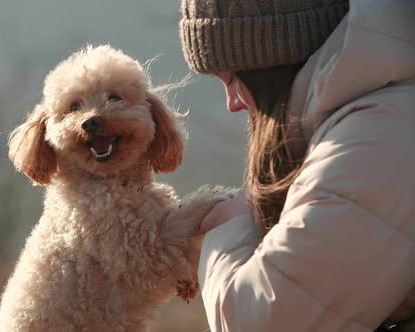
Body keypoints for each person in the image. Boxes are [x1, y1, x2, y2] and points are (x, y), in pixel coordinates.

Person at [178, 0, 415, 331]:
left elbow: (263, 323)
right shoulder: (380, 110)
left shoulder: (375, 136)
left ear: (270, 60)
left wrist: (229, 228)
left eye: (232, 79)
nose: (232, 103)